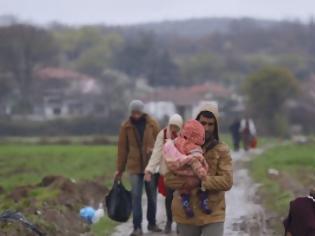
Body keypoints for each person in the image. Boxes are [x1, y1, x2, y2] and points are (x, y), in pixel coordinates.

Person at [165, 102, 233, 236]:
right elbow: (168, 179)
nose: (206, 128)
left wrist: (201, 181)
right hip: (185, 214)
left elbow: (227, 181)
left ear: (216, 126)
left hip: (213, 213)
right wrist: (186, 182)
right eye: (202, 123)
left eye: (210, 124)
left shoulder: (222, 149)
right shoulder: (179, 147)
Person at [115, 100, 161, 236]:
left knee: (152, 196)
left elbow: (161, 142)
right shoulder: (126, 127)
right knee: (136, 196)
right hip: (134, 167)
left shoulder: (152, 124)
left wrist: (153, 150)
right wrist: (119, 169)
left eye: (138, 112)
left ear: (142, 112)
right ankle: (137, 227)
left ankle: (152, 223)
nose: (136, 115)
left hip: (150, 166)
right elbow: (122, 149)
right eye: (133, 112)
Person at [163, 120, 212, 218]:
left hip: (180, 175)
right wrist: (203, 174)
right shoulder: (192, 147)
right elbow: (195, 163)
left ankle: (186, 205)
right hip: (193, 177)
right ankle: (204, 203)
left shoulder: (176, 143)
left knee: (184, 192)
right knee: (203, 188)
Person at [144, 114, 183, 234]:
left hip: (181, 172)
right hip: (167, 173)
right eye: (172, 126)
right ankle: (169, 222)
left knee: (181, 199)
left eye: (176, 127)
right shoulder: (164, 134)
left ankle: (180, 223)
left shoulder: (184, 135)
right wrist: (149, 169)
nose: (174, 129)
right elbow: (156, 152)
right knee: (169, 198)